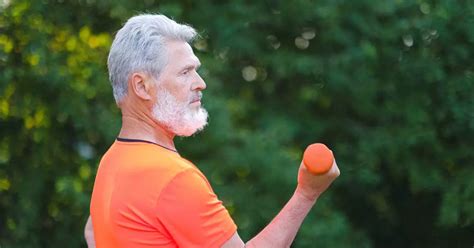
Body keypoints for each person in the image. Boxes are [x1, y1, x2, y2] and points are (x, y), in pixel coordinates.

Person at [85, 14, 340, 248]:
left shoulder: (112, 163)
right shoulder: (171, 178)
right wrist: (306, 193)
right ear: (141, 86)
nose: (200, 83)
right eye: (185, 72)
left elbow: (93, 233)